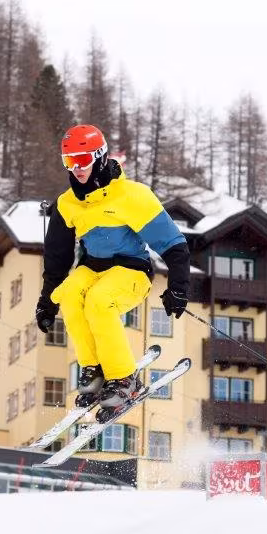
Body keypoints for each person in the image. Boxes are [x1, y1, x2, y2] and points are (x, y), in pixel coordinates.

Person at [35, 124, 190, 416]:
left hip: (131, 270)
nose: (76, 169)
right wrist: (46, 302)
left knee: (99, 300)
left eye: (82, 160)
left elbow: (173, 243)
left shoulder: (132, 196)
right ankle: (94, 371)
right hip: (93, 268)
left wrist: (179, 286)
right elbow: (56, 259)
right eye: (69, 161)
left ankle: (124, 379)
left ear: (100, 157)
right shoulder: (67, 204)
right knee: (67, 294)